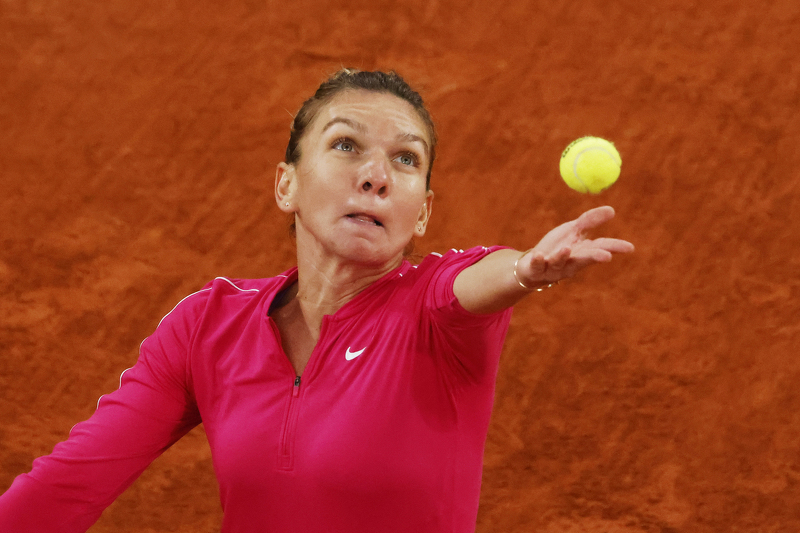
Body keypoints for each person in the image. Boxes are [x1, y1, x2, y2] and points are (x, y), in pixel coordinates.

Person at [0, 69, 634, 532]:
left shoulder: (433, 312)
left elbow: (481, 281)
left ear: (422, 215)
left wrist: (527, 270)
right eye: (346, 144)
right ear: (286, 184)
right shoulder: (206, 327)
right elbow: (71, 481)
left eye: (405, 160)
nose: (376, 175)